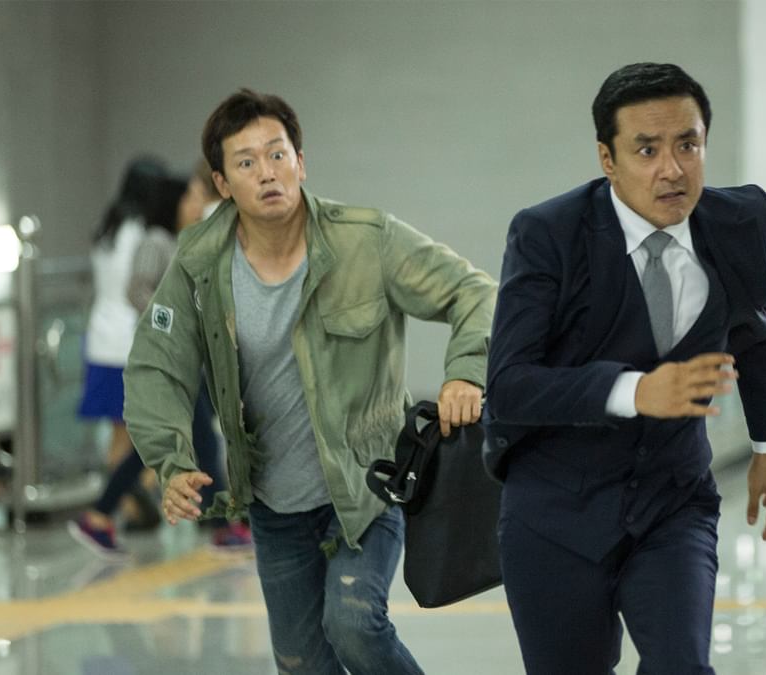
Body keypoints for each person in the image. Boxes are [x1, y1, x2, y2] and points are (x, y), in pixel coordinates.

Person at [124, 90, 495, 674]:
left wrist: (465, 374)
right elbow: (157, 363)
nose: (266, 172)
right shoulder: (199, 262)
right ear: (222, 184)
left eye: (278, 154)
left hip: (367, 486)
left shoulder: (365, 240)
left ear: (301, 162)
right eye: (246, 162)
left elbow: (474, 292)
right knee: (301, 663)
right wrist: (171, 461)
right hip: (274, 504)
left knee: (354, 623)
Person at [484, 63, 766, 673]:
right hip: (556, 514)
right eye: (647, 150)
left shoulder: (742, 221)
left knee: (683, 666)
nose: (672, 169)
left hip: (674, 500)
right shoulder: (548, 234)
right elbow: (510, 387)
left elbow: (761, 331)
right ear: (608, 158)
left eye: (688, 145)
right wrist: (635, 390)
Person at [70, 169, 252, 558]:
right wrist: (172, 321)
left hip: (184, 360)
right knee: (199, 441)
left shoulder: (180, 241)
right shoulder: (155, 241)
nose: (198, 204)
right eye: (191, 197)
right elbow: (137, 290)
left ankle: (100, 515)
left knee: (169, 444)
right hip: (168, 361)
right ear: (174, 203)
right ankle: (221, 526)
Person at [70, 159, 172, 556]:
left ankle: (126, 507)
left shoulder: (106, 227)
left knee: (121, 433)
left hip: (101, 337)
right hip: (129, 340)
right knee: (139, 434)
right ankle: (117, 510)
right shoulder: (142, 233)